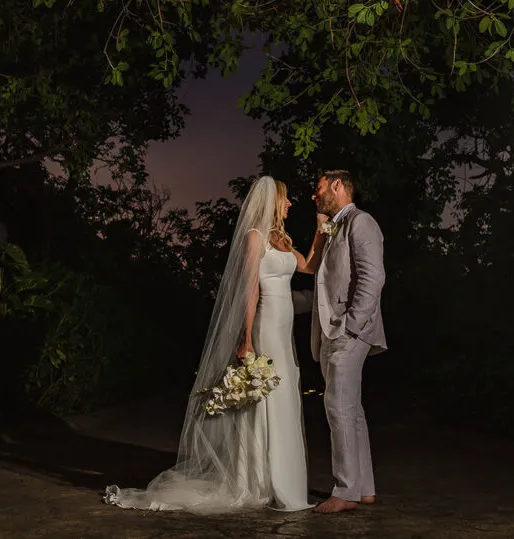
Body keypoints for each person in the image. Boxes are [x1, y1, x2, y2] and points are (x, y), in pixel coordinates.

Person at [103, 176, 319, 514]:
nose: (290, 204)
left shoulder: (281, 239)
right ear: (272, 201)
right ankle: (258, 479)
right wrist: (246, 338)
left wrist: (322, 230)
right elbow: (250, 290)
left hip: (284, 329)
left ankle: (283, 478)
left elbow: (308, 265)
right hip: (265, 326)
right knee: (263, 399)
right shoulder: (255, 238)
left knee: (283, 394)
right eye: (286, 199)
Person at [305, 169, 387, 514]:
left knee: (337, 406)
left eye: (319, 187)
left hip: (350, 331)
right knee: (351, 411)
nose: (314, 194)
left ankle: (345, 491)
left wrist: (351, 326)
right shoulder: (334, 225)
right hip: (333, 330)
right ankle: (364, 487)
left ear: (338, 185)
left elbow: (373, 277)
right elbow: (321, 279)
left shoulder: (361, 221)